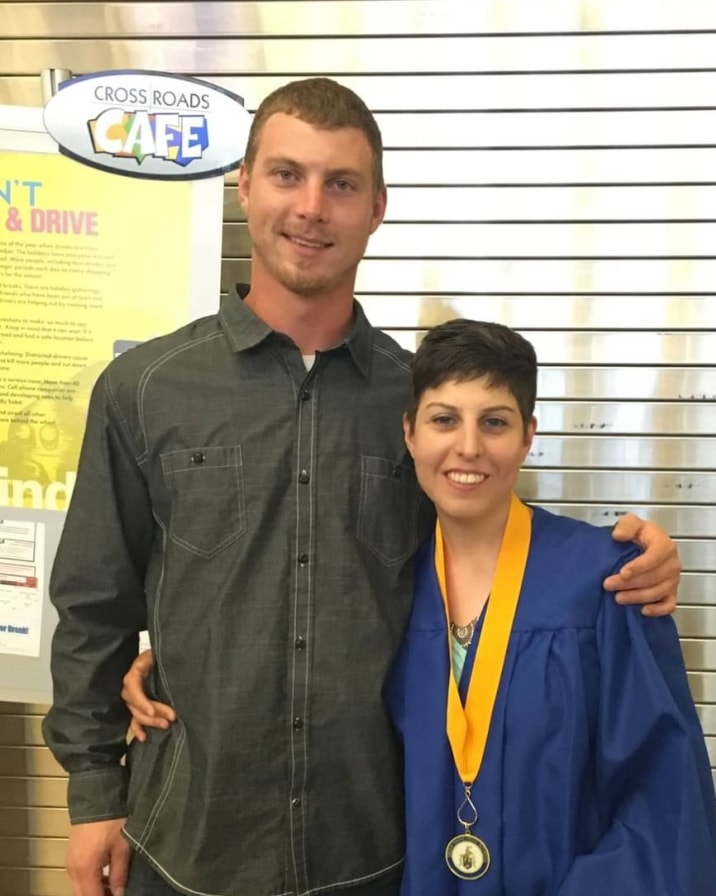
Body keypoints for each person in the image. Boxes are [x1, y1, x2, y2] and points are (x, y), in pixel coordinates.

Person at [42, 77, 681, 896]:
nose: (311, 207)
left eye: (340, 184)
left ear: (376, 207)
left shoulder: (416, 401)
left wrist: (629, 561)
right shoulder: (145, 388)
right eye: (287, 175)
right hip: (190, 842)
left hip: (379, 849)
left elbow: (486, 541)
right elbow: (94, 606)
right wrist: (94, 792)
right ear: (244, 186)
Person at [384, 318, 716, 895]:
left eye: (494, 422)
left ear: (527, 435)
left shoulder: (605, 582)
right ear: (411, 433)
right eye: (445, 419)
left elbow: (661, 801)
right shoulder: (385, 587)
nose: (468, 446)